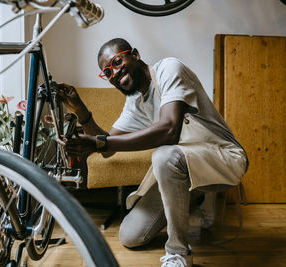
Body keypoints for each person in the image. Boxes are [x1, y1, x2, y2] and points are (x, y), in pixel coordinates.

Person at [57, 38, 248, 267]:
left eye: (117, 61)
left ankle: (178, 253)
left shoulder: (169, 69)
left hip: (223, 157)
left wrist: (99, 143)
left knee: (163, 155)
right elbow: (108, 146)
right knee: (130, 236)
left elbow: (169, 130)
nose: (115, 72)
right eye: (108, 72)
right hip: (183, 166)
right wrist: (80, 109)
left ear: (135, 54)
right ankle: (194, 197)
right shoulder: (135, 101)